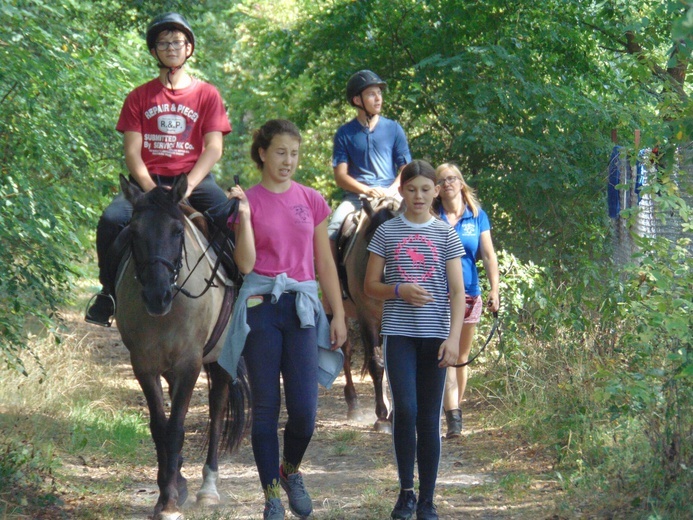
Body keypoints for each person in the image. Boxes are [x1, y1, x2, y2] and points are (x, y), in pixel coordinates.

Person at [218, 119, 348, 520]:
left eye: (294, 153)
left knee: (306, 413)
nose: (288, 160)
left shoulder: (312, 200)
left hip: (303, 309)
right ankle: (271, 493)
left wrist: (338, 312)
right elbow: (245, 263)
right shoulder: (248, 200)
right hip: (261, 307)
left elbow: (324, 261)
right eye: (280, 152)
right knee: (266, 409)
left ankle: (290, 470)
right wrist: (242, 211)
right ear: (262, 153)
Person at [85, 12, 234, 326]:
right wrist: (152, 193)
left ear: (189, 48)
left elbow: (214, 148)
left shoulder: (207, 95)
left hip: (192, 180)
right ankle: (107, 293)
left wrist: (189, 186)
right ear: (154, 51)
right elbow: (132, 153)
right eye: (163, 43)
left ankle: (242, 293)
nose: (171, 48)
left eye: (178, 42)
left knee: (232, 220)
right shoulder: (139, 97)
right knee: (111, 220)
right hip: (147, 183)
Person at [364, 160, 466, 520]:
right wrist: (399, 289)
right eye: (412, 189)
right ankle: (406, 492)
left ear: (436, 191)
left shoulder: (445, 234)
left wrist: (454, 338)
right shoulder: (387, 232)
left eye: (426, 189)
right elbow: (369, 285)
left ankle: (428, 498)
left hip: (436, 336)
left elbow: (457, 291)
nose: (419, 196)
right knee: (404, 410)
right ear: (402, 191)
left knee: (428, 416)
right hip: (399, 335)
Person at [326, 70, 411, 299]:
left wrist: (392, 190)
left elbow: (405, 169)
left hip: (393, 194)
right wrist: (367, 190)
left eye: (379, 94)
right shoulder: (344, 133)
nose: (379, 98)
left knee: (428, 221)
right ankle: (335, 292)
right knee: (331, 233)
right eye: (372, 94)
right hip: (357, 198)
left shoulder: (394, 129)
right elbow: (340, 176)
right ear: (357, 100)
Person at [434, 163, 500, 439]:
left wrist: (495, 289)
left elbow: (487, 255)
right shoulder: (430, 215)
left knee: (461, 357)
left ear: (461, 183)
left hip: (470, 292)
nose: (448, 183)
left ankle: (455, 409)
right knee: (446, 355)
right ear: (436, 188)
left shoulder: (477, 216)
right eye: (443, 180)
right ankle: (453, 417)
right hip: (438, 295)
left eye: (453, 178)